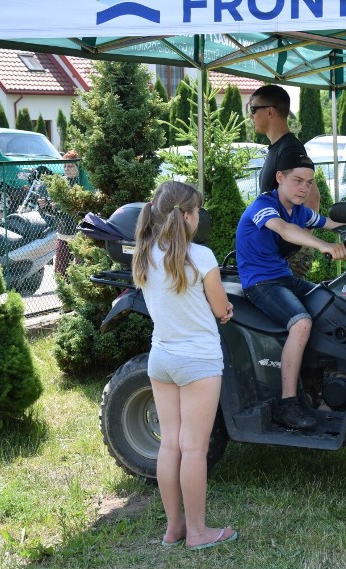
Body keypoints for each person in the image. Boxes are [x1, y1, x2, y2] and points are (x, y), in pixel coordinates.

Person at [132, 181, 238, 551]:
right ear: (189, 216)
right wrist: (225, 311)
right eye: (198, 212)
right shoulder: (203, 257)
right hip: (198, 361)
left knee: (170, 446)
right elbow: (220, 306)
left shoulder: (145, 254)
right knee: (194, 448)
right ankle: (197, 533)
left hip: (161, 360)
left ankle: (173, 529)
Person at [235, 149, 346, 430]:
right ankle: (287, 403)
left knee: (332, 302)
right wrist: (322, 245)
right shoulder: (263, 206)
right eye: (298, 181)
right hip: (260, 283)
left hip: (283, 278)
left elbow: (331, 224)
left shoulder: (299, 211)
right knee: (300, 323)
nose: (304, 188)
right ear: (279, 178)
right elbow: (284, 230)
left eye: (309, 183)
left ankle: (319, 383)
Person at [249, 85, 320, 278]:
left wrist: (297, 245)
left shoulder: (289, 150)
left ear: (270, 111)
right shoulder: (279, 148)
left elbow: (312, 197)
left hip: (288, 256)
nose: (251, 116)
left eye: (253, 109)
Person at [53, 149, 81, 277]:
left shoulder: (82, 183)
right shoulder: (61, 183)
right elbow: (54, 210)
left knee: (80, 269)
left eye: (70, 166)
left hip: (80, 233)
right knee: (60, 271)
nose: (67, 168)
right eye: (65, 165)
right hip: (63, 232)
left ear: (78, 166)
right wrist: (47, 205)